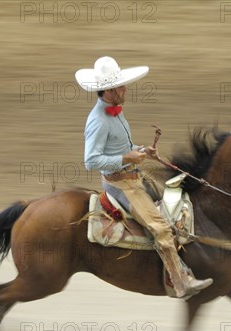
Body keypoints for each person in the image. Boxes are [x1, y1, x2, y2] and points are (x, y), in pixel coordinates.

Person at [75, 56, 213, 299]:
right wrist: (127, 158)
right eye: (120, 86)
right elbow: (91, 161)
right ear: (107, 90)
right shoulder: (98, 121)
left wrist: (141, 151)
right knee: (160, 227)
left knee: (175, 199)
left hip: (134, 176)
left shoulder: (116, 113)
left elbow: (120, 148)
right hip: (121, 184)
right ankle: (180, 283)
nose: (125, 89)